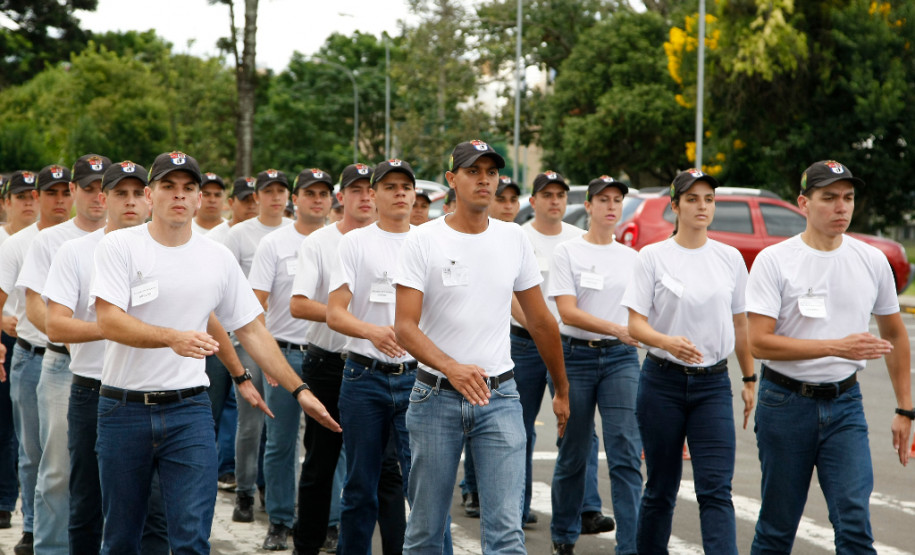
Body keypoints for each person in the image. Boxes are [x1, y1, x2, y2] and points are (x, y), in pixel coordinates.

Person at [89, 151, 339, 553]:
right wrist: (172, 338)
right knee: (121, 538)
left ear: (201, 197)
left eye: (189, 188)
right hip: (124, 410)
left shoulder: (216, 257)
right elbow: (109, 321)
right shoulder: (120, 246)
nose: (179, 195)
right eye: (168, 186)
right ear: (150, 196)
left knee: (190, 537)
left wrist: (300, 390)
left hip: (189, 411)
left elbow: (253, 329)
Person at [394, 140, 570, 554]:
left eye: (491, 172)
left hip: (500, 395)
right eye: (474, 172)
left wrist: (561, 388)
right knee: (425, 532)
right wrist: (451, 367)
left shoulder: (512, 238)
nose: (484, 180)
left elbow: (541, 320)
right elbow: (404, 326)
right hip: (436, 395)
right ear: (453, 180)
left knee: (507, 535)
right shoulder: (423, 240)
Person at [746, 160, 913, 554]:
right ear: (803, 203)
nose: (841, 207)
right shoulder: (775, 261)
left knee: (854, 522)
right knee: (777, 527)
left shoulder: (871, 260)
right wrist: (836, 347)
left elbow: (894, 334)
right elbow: (759, 343)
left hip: (845, 406)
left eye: (848, 198)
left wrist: (906, 409)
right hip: (785, 403)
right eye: (829, 198)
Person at [622, 169, 754, 554]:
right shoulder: (652, 257)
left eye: (708, 199)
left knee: (716, 489)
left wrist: (748, 378)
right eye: (692, 199)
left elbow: (740, 322)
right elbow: (635, 325)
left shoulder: (729, 258)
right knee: (661, 489)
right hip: (662, 382)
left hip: (712, 385)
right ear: (675, 205)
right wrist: (667, 342)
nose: (702, 206)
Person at [43, 160, 171, 553]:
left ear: (149, 198)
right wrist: (114, 326)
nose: (130, 202)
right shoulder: (76, 252)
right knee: (87, 502)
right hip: (93, 390)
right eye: (120, 193)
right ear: (105, 198)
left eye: (137, 193)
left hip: (152, 393)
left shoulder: (169, 249)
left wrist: (239, 374)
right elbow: (56, 326)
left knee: (154, 509)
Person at [17, 155, 110, 554]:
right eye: (89, 188)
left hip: (118, 367)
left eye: (104, 189)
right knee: (57, 469)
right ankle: (52, 548)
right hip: (61, 363)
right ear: (74, 191)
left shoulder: (128, 237)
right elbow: (36, 304)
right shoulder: (50, 240)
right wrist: (70, 339)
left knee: (111, 470)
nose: (98, 197)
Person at [547, 176, 643, 555]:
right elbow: (567, 313)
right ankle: (564, 535)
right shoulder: (568, 253)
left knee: (625, 450)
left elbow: (643, 314)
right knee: (575, 449)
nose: (611, 206)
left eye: (617, 200)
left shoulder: (634, 258)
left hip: (621, 360)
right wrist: (616, 328)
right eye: (603, 200)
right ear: (588, 206)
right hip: (577, 357)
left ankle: (630, 545)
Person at [327, 159, 418, 554]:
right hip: (364, 377)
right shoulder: (355, 243)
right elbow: (335, 312)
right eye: (390, 186)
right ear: (374, 195)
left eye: (406, 186)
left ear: (415, 195)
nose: (399, 193)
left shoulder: (429, 240)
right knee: (361, 486)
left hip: (420, 379)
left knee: (424, 487)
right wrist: (372, 332)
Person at [513, 170, 611, 531]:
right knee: (518, 427)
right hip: (524, 342)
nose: (554, 201)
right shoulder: (518, 238)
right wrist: (537, 327)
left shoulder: (579, 240)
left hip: (569, 345)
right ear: (533, 201)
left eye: (560, 195)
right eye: (547, 195)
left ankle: (586, 508)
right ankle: (517, 506)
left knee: (580, 426)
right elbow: (510, 295)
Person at [289, 162, 376, 555]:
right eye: (356, 191)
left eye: (370, 190)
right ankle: (306, 544)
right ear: (341, 198)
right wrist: (348, 319)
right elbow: (299, 304)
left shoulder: (391, 240)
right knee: (320, 466)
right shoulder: (320, 243)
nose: (365, 197)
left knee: (378, 469)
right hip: (329, 362)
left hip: (377, 367)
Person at [248, 167, 332, 550]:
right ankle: (280, 520)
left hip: (330, 356)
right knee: (280, 443)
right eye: (309, 193)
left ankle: (329, 521)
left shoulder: (343, 241)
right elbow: (256, 307)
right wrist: (265, 358)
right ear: (295, 200)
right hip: (284, 353)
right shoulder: (275, 244)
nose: (317, 200)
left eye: (324, 194)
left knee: (331, 441)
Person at [0, 166, 75, 555]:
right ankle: (32, 526)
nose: (58, 200)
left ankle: (69, 529)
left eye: (66, 192)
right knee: (34, 451)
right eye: (50, 193)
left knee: (70, 456)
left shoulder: (92, 238)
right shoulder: (20, 244)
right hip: (32, 356)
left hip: (82, 361)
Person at [222, 168, 293, 522]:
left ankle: (272, 489)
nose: (276, 197)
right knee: (250, 423)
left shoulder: (297, 233)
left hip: (287, 340)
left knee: (283, 426)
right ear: (257, 197)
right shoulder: (238, 234)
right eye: (269, 191)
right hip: (247, 336)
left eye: (282, 190)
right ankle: (245, 491)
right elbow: (225, 285)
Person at [204, 175, 258, 491]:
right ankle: (208, 466)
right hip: (215, 333)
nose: (251, 205)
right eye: (246, 200)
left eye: (255, 199)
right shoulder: (219, 238)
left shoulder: (262, 236)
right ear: (232, 203)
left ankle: (228, 468)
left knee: (237, 408)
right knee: (212, 404)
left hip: (246, 332)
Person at [0, 172, 38, 531]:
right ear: (5, 202)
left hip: (34, 338)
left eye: (32, 196)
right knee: (8, 427)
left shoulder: (49, 239)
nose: (28, 202)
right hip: (10, 337)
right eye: (21, 196)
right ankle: (7, 501)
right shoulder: (9, 243)